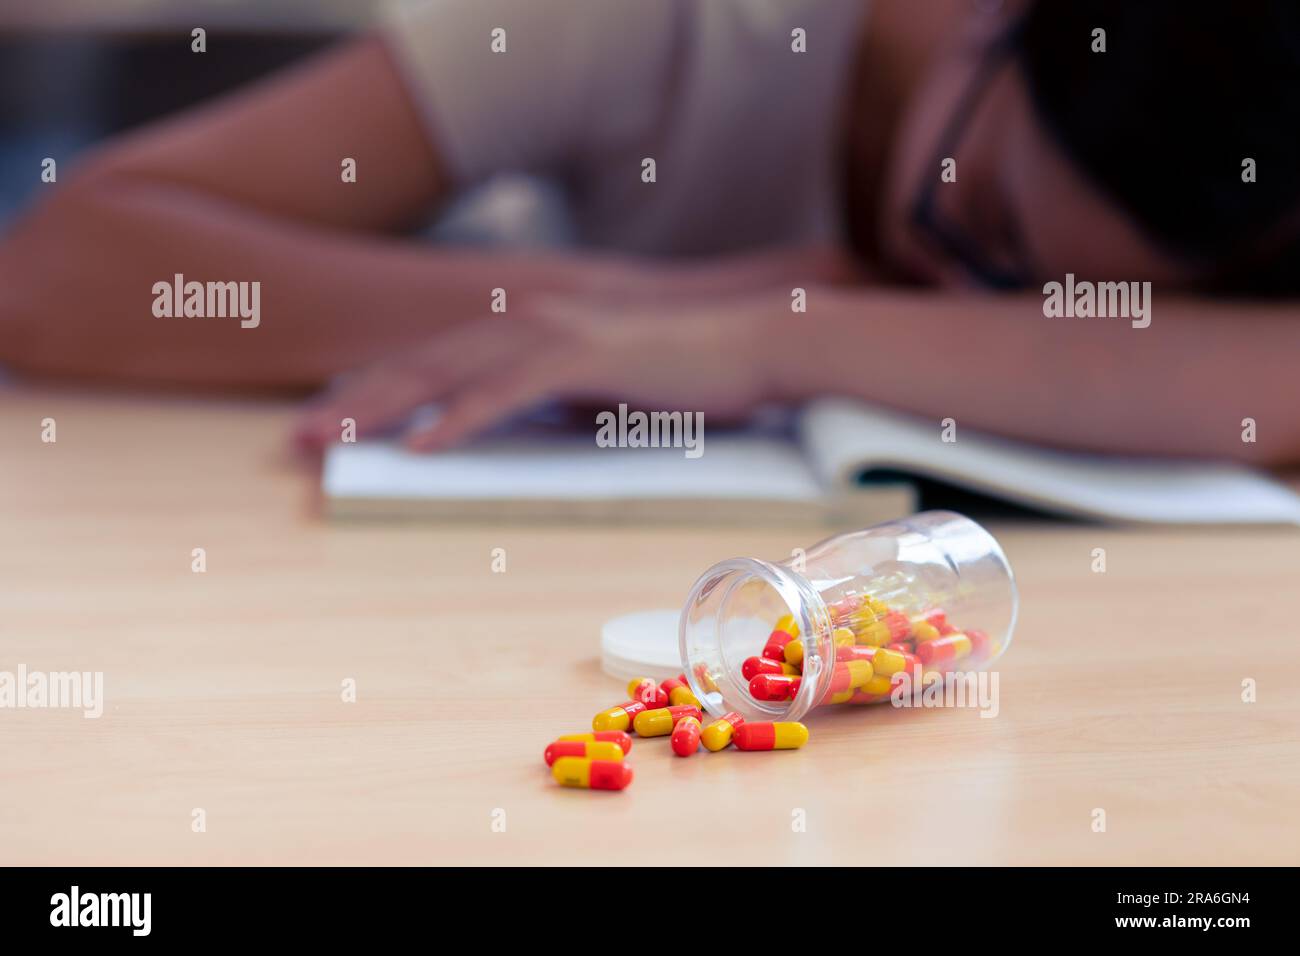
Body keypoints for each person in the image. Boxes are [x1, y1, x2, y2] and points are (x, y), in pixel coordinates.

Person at [1, 0, 1297, 463]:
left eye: (1049, 300)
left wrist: (794, 337)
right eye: (978, 210)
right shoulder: (672, 20)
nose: (965, 300)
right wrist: (630, 314)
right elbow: (66, 269)